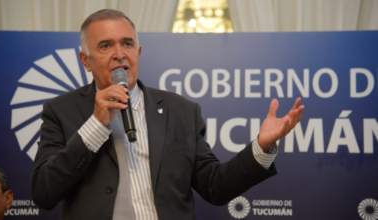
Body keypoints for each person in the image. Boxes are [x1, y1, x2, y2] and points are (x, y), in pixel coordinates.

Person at [31, 9, 304, 220]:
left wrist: (262, 146)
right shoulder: (60, 111)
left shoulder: (181, 111)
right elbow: (44, 193)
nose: (119, 54)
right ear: (85, 60)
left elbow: (215, 186)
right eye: (105, 46)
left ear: (138, 52)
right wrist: (95, 125)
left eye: (127, 44)